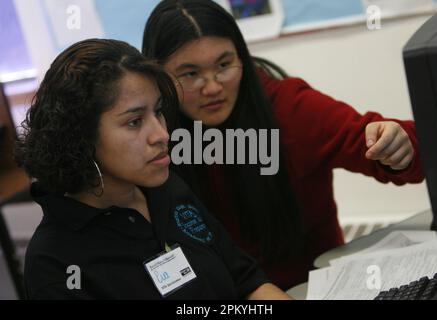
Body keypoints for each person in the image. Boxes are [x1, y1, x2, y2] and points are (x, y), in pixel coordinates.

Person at [142, 0, 425, 290]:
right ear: (158, 77)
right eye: (190, 74)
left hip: (312, 288)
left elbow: (392, 145)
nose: (213, 87)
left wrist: (402, 143)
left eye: (224, 65)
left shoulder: (289, 107)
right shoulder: (152, 136)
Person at [15, 38, 291, 299]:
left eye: (158, 112)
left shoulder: (169, 189)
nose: (162, 135)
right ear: (80, 136)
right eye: (135, 121)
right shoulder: (54, 260)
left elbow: (246, 280)